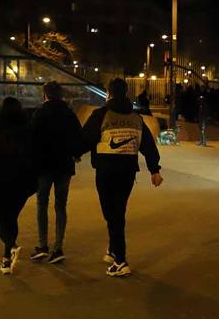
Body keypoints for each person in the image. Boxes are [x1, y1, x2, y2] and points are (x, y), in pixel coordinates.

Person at [78, 78, 163, 277]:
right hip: (127, 172)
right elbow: (148, 145)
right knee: (118, 211)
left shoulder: (101, 115)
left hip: (106, 171)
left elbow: (85, 139)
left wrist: (73, 154)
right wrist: (154, 170)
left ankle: (121, 260)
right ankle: (112, 249)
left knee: (111, 213)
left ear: (109, 93)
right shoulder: (136, 118)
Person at [30, 81, 82, 264]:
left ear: (45, 95)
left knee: (41, 203)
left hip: (44, 167)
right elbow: (79, 137)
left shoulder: (39, 113)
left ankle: (42, 245)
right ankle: (58, 248)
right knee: (61, 206)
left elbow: (32, 140)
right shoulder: (69, 114)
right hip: (64, 167)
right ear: (61, 95)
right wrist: (76, 154)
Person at [0, 97, 37, 275]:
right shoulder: (27, 131)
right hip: (22, 183)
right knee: (11, 216)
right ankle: (6, 258)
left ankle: (11, 246)